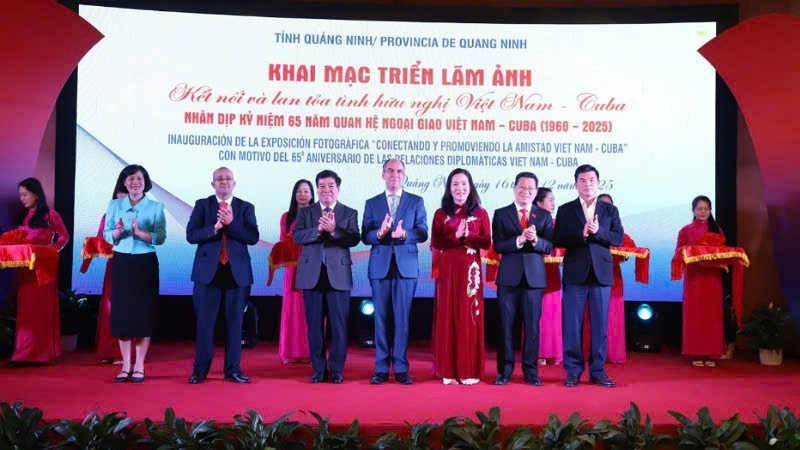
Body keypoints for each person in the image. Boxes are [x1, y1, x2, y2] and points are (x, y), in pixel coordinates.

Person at [186, 167, 259, 384]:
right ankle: (200, 371)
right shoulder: (203, 205)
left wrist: (231, 224)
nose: (224, 182)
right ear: (213, 184)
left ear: (234, 183)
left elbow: (252, 237)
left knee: (235, 325)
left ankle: (233, 370)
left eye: (228, 179)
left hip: (237, 275)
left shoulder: (245, 207)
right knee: (205, 325)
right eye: (219, 179)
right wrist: (214, 228)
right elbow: (191, 235)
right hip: (208, 274)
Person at [554, 164, 623, 388]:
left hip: (601, 274)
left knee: (600, 325)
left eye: (591, 180)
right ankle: (573, 371)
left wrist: (597, 232)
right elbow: (559, 238)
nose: (587, 184)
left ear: (598, 182)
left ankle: (597, 370)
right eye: (582, 181)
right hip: (575, 273)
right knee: (572, 324)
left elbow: (617, 238)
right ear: (576, 184)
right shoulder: (565, 209)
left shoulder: (609, 210)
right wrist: (581, 234)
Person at [362, 159, 428, 385]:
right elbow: (365, 235)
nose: (395, 174)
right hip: (380, 267)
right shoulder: (372, 203)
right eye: (390, 170)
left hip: (406, 267)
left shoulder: (415, 201)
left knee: (402, 319)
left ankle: (401, 368)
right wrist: (380, 234)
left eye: (399, 171)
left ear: (405, 176)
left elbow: (422, 232)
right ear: (382, 175)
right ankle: (380, 368)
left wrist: (403, 234)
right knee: (380, 319)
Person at [293, 170, 360, 384]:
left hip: (338, 276)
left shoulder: (349, 212)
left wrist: (334, 230)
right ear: (317, 189)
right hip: (312, 274)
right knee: (314, 326)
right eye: (322, 186)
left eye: (331, 186)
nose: (326, 190)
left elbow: (354, 238)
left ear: (338, 189)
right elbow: (297, 236)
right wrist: (317, 230)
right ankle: (319, 370)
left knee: (338, 326)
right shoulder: (306, 212)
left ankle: (337, 370)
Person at [104, 164, 166, 383]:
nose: (135, 183)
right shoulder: (114, 205)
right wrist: (118, 232)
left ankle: (139, 365)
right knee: (123, 314)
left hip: (145, 263)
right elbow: (106, 235)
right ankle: (125, 365)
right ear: (124, 182)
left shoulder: (156, 207)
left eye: (139, 179)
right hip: (122, 262)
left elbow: (160, 237)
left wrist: (140, 232)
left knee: (142, 314)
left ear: (145, 182)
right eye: (130, 179)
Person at [492, 172, 553, 386]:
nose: (525, 191)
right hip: (508, 278)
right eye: (521, 187)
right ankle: (504, 371)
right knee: (506, 326)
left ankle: (531, 371)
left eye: (530, 188)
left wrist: (536, 240)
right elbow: (498, 245)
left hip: (534, 279)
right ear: (514, 188)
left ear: (536, 192)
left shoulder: (544, 216)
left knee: (532, 327)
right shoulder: (501, 214)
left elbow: (549, 247)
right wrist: (518, 240)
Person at [431, 168, 491, 385]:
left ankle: (469, 370)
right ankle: (448, 369)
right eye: (455, 184)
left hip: (470, 272)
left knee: (469, 316)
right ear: (449, 188)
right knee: (448, 315)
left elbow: (486, 242)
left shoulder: (481, 213)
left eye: (464, 184)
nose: (460, 188)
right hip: (448, 271)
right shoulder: (440, 213)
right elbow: (436, 242)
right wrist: (454, 237)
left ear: (471, 187)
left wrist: (468, 236)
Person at [10, 177, 70, 363]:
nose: (22, 198)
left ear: (36, 194)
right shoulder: (27, 216)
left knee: (40, 310)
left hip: (43, 269)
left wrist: (50, 251)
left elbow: (64, 236)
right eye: (20, 195)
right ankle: (24, 352)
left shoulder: (50, 215)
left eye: (24, 194)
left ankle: (40, 353)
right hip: (27, 269)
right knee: (26, 310)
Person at [80, 174, 127, 363]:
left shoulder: (141, 215)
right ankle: (109, 350)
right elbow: (102, 240)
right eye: (119, 197)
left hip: (133, 267)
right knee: (110, 308)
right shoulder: (108, 216)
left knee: (128, 309)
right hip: (114, 268)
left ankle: (125, 353)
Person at [675, 195, 726, 367]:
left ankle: (711, 353)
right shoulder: (686, 230)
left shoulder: (716, 229)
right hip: (694, 277)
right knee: (695, 314)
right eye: (699, 208)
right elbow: (679, 253)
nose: (703, 211)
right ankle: (696, 352)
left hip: (712, 278)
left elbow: (722, 252)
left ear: (710, 210)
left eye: (706, 208)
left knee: (712, 314)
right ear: (693, 210)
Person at [277, 179, 314, 364]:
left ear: (312, 194)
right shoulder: (286, 217)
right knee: (292, 309)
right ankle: (290, 352)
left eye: (306, 191)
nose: (302, 194)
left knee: (311, 310)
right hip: (292, 267)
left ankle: (310, 352)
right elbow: (283, 241)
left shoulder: (318, 214)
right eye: (299, 191)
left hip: (312, 266)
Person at [534, 187, 563, 366]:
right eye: (550, 200)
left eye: (554, 200)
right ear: (539, 203)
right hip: (536, 270)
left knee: (554, 312)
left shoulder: (556, 223)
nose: (553, 203)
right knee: (538, 313)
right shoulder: (532, 221)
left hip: (553, 272)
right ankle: (539, 352)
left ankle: (555, 352)